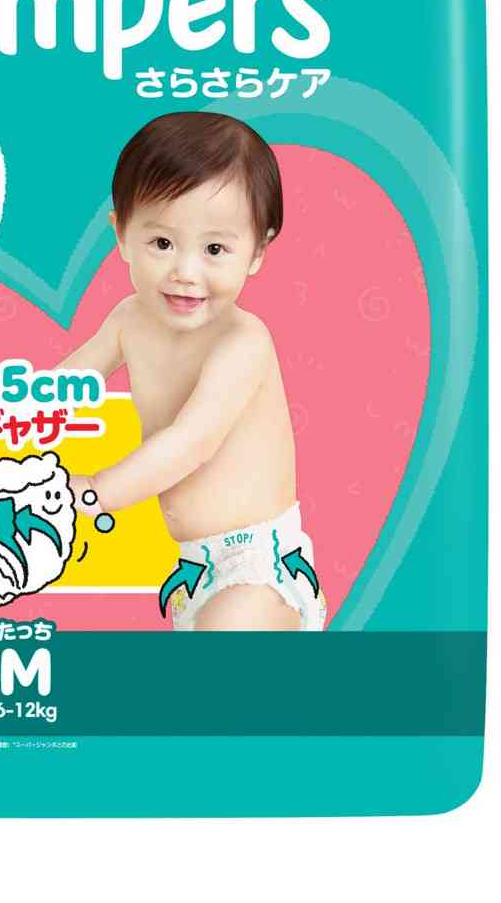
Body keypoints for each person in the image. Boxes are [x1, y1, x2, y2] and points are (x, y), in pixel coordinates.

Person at [59, 112, 325, 631]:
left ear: (257, 251)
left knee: (228, 654)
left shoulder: (242, 342)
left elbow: (190, 443)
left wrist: (93, 491)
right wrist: (7, 415)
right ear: (122, 234)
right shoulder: (129, 320)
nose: (185, 272)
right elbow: (67, 386)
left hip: (259, 564)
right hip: (192, 570)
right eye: (162, 244)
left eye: (214, 249)